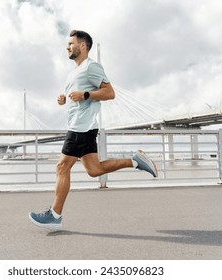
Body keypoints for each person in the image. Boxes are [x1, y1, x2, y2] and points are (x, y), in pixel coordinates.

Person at [29, 30, 157, 230]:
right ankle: (135, 160)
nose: (67, 47)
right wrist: (63, 99)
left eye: (71, 44)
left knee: (62, 167)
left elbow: (110, 93)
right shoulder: (73, 72)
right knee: (94, 170)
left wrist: (86, 94)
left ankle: (54, 215)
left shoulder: (91, 67)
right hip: (84, 126)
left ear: (82, 46)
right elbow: (76, 96)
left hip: (81, 125)